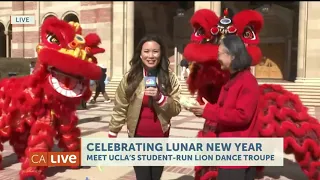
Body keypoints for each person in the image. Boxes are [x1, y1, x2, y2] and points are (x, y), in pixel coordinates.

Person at [108, 34, 182, 180]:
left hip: (160, 137)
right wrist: (113, 131)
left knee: (155, 177)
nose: (151, 55)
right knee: (143, 177)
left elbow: (176, 108)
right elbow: (120, 106)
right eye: (146, 51)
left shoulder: (169, 77)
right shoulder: (130, 77)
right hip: (137, 137)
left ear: (161, 54)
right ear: (140, 54)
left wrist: (160, 98)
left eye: (155, 51)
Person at [189, 35, 260, 180]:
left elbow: (242, 116)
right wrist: (204, 110)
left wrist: (208, 111)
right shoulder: (234, 78)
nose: (217, 58)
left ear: (232, 56)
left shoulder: (247, 81)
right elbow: (225, 108)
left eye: (219, 54)